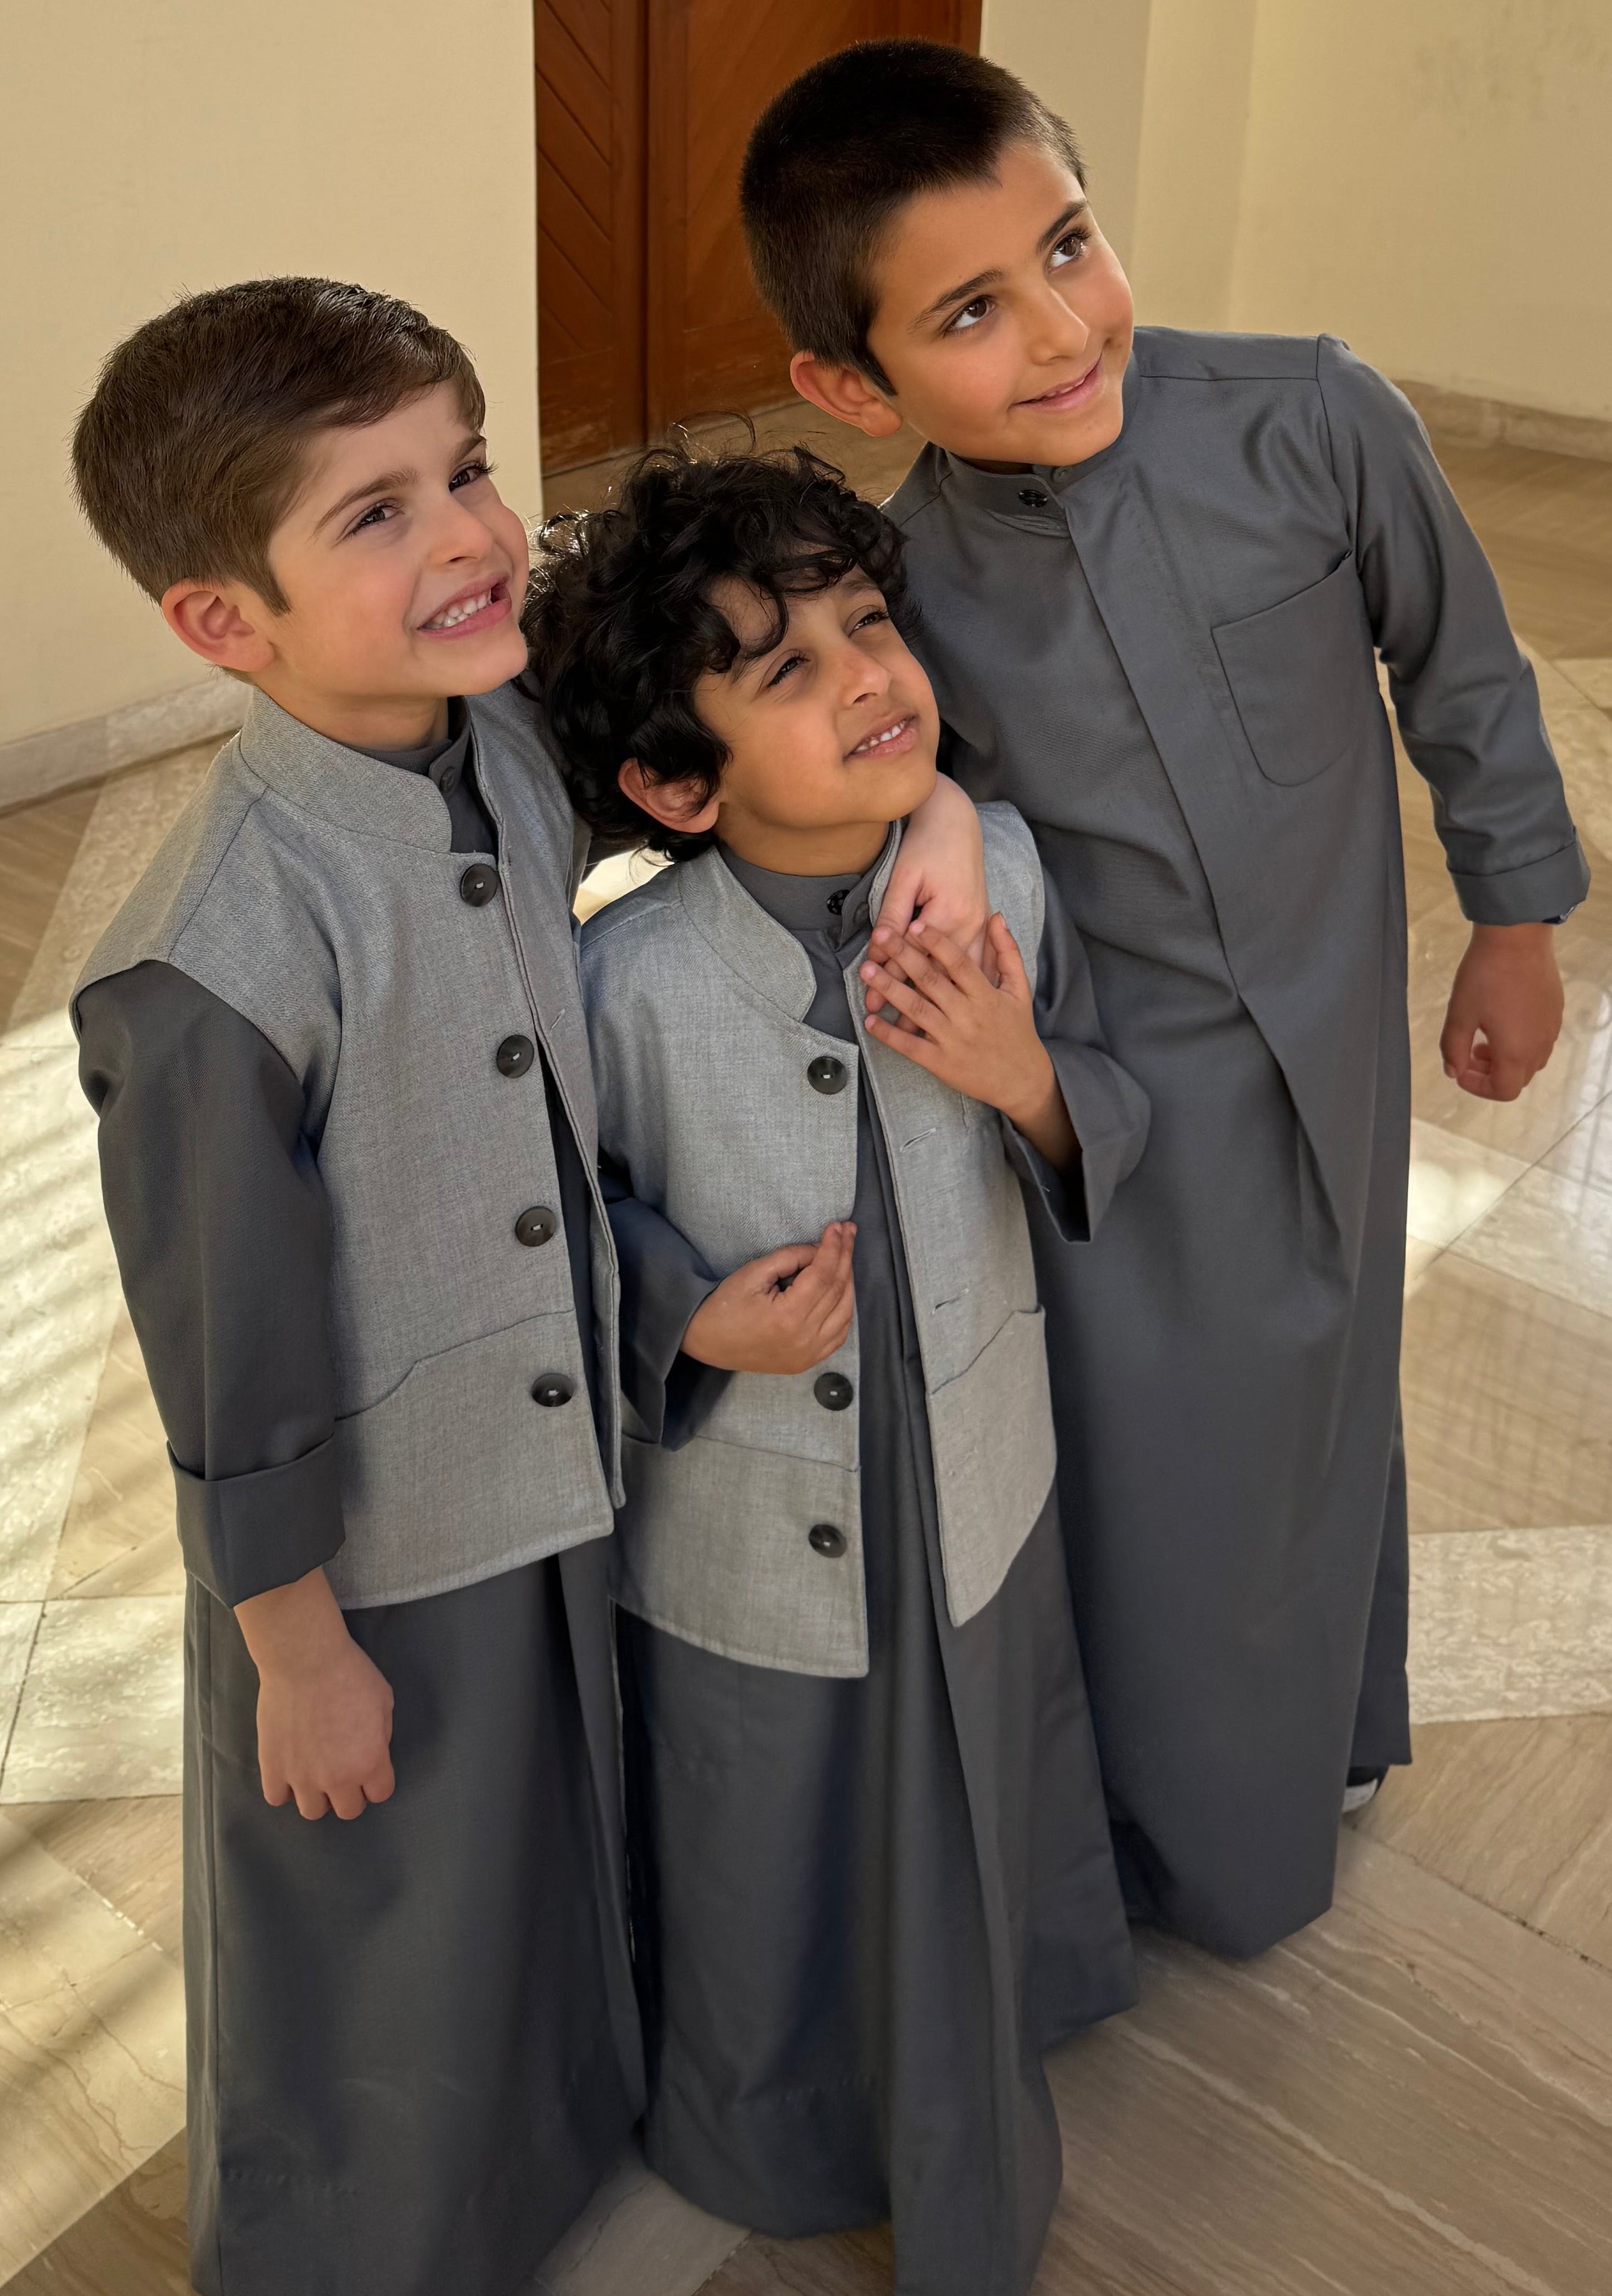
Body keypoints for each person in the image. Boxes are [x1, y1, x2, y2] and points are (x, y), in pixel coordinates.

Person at [63, 278, 986, 2296]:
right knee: (374, 1907)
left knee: (525, 1857)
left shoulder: (493, 736)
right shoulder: (208, 969)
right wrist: (295, 1647)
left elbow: (719, 762)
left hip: (555, 1463)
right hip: (374, 1550)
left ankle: (539, 2169)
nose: (475, 536)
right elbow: (227, 1362)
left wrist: (946, 812)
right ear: (224, 619)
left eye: (466, 469)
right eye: (374, 514)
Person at [740, 41, 1590, 1960]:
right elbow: (887, 768)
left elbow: (1463, 670)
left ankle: (1330, 1728)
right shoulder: (906, 583)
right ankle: (1205, 1841)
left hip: (1336, 1043)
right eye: (971, 312)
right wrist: (940, 809)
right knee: (1171, 1460)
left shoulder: (1313, 419)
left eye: (1071, 244)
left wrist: (1516, 919)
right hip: (1123, 1097)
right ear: (853, 386)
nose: (1061, 329)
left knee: (1328, 1390)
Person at [529, 445, 1148, 2296]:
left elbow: (1110, 1109)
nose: (870, 676)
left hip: (971, 1474)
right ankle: (772, 2121)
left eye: (871, 623)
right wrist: (691, 1318)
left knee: (970, 1769)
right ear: (674, 784)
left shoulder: (1004, 875)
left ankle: (996, 2034)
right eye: (784, 669)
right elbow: (566, 1225)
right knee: (763, 1809)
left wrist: (1023, 1080)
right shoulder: (624, 981)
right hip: (738, 1516)